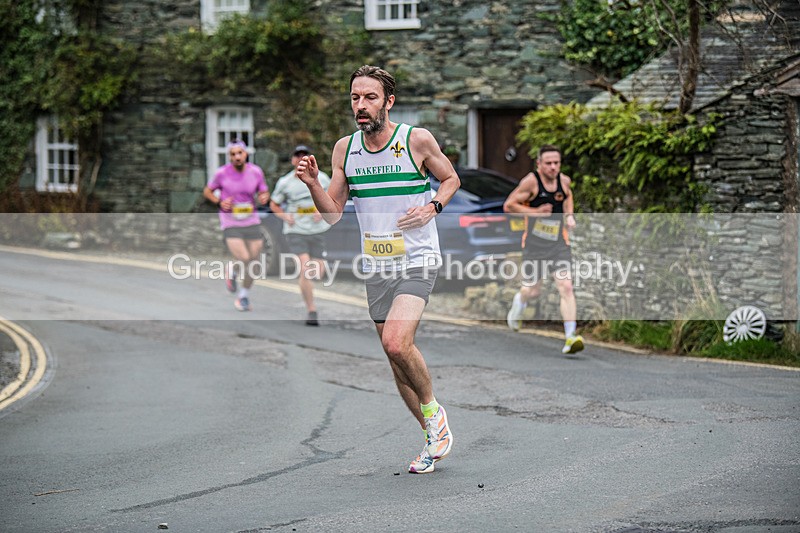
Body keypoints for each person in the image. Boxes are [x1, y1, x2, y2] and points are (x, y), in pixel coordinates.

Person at [295, 65, 461, 474]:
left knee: (395, 343)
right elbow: (332, 215)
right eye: (355, 98)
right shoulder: (344, 149)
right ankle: (432, 437)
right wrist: (315, 184)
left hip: (417, 258)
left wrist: (432, 207)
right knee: (396, 361)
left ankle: (435, 415)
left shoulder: (415, 140)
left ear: (388, 101)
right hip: (377, 265)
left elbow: (451, 178)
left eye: (369, 97)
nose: (361, 106)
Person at [503, 144, 585, 355]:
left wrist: (569, 216)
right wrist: (536, 212)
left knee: (566, 287)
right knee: (533, 290)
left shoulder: (564, 181)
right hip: (534, 246)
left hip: (559, 244)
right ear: (539, 164)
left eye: (556, 163)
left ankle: (570, 337)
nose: (553, 167)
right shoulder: (531, 182)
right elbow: (509, 205)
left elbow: (567, 198)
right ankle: (519, 301)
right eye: (548, 163)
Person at [203, 139, 270, 312]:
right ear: (229, 157)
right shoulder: (221, 173)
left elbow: (263, 191)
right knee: (244, 258)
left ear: (245, 153)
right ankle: (232, 270)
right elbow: (207, 191)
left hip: (251, 220)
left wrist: (264, 197)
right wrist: (219, 202)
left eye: (240, 153)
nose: (237, 157)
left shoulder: (256, 172)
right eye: (233, 154)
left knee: (255, 262)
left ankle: (243, 296)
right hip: (230, 221)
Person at [269, 145, 332, 326]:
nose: (301, 158)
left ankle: (311, 290)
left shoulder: (322, 178)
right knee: (305, 269)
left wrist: (324, 211)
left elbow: (333, 197)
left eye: (305, 155)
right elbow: (274, 204)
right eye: (297, 155)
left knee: (317, 272)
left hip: (318, 229)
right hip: (296, 230)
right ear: (293, 160)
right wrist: (284, 215)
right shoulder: (285, 182)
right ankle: (311, 310)